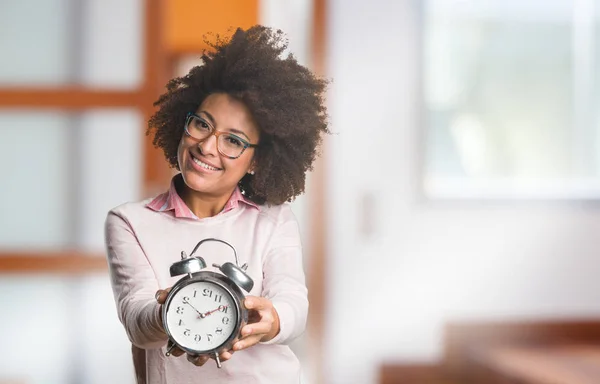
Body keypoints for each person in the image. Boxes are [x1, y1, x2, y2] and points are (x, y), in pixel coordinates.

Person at [104, 25, 329, 384]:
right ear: (183, 123)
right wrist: (170, 316)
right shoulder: (129, 221)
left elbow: (294, 303)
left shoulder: (273, 219)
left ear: (257, 160)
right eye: (202, 125)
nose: (208, 147)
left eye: (234, 141)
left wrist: (271, 320)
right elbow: (136, 321)